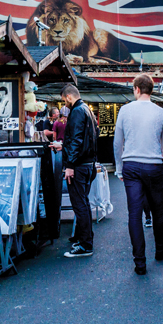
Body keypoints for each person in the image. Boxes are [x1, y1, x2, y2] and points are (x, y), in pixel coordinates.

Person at [114, 74, 163, 275]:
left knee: (134, 213)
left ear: (137, 89)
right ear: (151, 90)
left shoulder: (124, 110)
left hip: (130, 164)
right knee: (158, 209)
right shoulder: (161, 113)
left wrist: (119, 167)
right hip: (154, 165)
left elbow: (117, 143)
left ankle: (140, 262)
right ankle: (160, 248)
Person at [61, 85, 99, 258]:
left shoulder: (77, 111)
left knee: (80, 204)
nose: (64, 104)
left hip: (79, 165)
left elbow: (76, 140)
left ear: (69, 97)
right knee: (83, 203)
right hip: (88, 164)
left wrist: (70, 165)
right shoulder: (87, 110)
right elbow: (88, 136)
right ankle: (84, 239)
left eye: (63, 100)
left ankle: (85, 244)